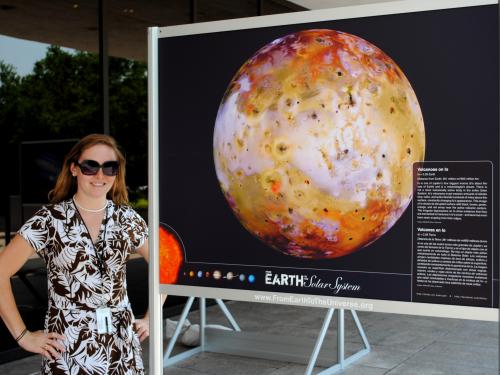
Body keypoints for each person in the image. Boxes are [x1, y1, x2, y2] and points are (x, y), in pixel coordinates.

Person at [0, 134, 154, 374]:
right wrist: (22, 336)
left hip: (122, 350)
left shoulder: (128, 219)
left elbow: (166, 266)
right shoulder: (49, 220)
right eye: (90, 166)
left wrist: (151, 318)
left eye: (109, 167)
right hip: (69, 352)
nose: (100, 176)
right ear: (74, 169)